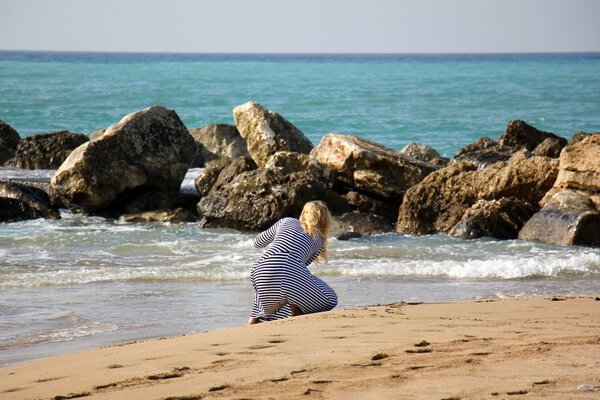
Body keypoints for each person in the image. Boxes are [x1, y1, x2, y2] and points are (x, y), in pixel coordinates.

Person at [247, 201, 338, 325]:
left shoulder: (286, 221)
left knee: (275, 277)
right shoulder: (318, 241)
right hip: (289, 275)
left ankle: (254, 318)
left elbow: (258, 242)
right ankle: (295, 309)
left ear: (303, 213)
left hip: (259, 270)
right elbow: (299, 267)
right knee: (330, 299)